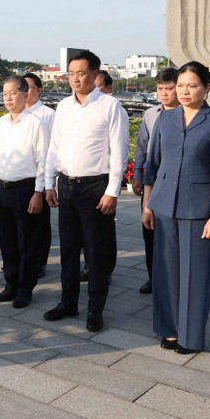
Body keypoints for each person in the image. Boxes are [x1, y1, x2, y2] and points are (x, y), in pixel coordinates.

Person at [141, 61, 210, 354]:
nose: (184, 91)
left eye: (192, 85)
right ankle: (169, 330)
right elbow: (152, 165)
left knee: (195, 274)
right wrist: (147, 205)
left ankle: (190, 337)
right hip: (164, 204)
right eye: (180, 85)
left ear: (206, 88)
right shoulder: (165, 119)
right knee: (165, 272)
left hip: (199, 208)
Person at [43, 50, 128, 332]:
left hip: (96, 187)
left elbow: (119, 151)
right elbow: (54, 147)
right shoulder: (64, 107)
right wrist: (48, 182)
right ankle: (68, 302)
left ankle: (95, 308)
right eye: (71, 74)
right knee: (68, 249)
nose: (75, 79)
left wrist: (112, 191)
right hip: (66, 185)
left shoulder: (110, 106)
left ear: (95, 75)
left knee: (96, 252)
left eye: (81, 73)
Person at [0, 76, 47, 308]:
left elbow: (43, 160)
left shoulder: (36, 124)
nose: (8, 98)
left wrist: (38, 192)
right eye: (4, 94)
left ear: (25, 94)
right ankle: (10, 284)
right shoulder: (0, 123)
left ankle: (25, 288)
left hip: (26, 189)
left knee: (26, 242)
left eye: (13, 93)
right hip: (3, 188)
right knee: (7, 241)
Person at [131, 67, 179, 294]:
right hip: (152, 180)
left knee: (172, 235)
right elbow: (142, 146)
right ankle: (153, 277)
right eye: (160, 89)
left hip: (176, 182)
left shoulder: (187, 115)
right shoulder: (151, 114)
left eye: (169, 88)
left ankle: (173, 279)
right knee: (149, 231)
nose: (164, 93)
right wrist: (137, 175)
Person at [23, 72, 55, 277]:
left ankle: (39, 262)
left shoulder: (48, 115)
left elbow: (52, 148)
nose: (25, 93)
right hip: (19, 177)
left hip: (40, 177)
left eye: (29, 88)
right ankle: (23, 259)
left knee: (40, 223)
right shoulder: (15, 114)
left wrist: (48, 181)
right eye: (22, 88)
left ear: (39, 90)